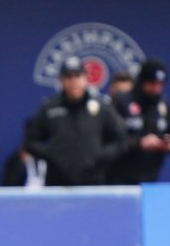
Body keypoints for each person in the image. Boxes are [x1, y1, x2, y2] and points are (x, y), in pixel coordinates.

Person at [22, 56, 127, 186]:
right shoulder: (50, 108)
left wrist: (100, 156)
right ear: (61, 80)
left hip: (93, 181)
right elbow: (30, 141)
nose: (73, 81)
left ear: (86, 79)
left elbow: (120, 141)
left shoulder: (101, 107)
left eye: (78, 76)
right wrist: (51, 154)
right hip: (57, 181)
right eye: (68, 77)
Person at [107, 58, 170, 184]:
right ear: (142, 82)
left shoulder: (161, 104)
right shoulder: (121, 101)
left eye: (160, 84)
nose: (156, 88)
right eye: (152, 83)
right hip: (119, 178)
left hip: (151, 179)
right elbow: (110, 140)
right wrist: (139, 143)